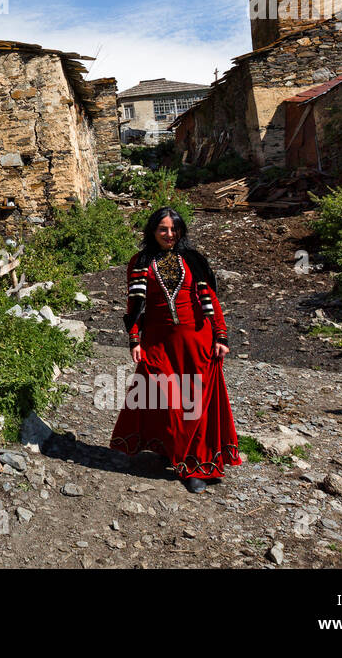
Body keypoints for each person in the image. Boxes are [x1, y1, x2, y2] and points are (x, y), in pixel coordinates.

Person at [109, 206, 241, 493]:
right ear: (152, 232)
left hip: (196, 340)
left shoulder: (194, 260)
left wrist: (221, 336)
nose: (169, 234)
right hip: (158, 342)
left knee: (195, 404)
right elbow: (134, 306)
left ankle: (195, 465)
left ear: (181, 231)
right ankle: (170, 448)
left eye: (174, 229)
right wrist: (135, 339)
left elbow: (211, 299)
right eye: (162, 229)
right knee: (164, 399)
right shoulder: (140, 262)